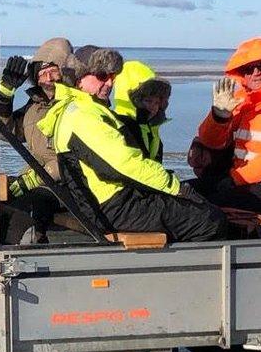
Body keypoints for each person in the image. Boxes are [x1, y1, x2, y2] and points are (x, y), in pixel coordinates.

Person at [38, 48, 229, 242]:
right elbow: (123, 165)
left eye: (112, 76)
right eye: (102, 76)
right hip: (113, 207)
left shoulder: (86, 109)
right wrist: (177, 187)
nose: (109, 83)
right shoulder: (82, 115)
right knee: (210, 220)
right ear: (79, 78)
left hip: (110, 202)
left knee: (200, 208)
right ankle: (173, 269)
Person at [188, 37, 261, 214]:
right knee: (183, 194)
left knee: (208, 207)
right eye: (248, 68)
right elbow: (210, 142)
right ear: (241, 73)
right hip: (238, 176)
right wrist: (219, 116)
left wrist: (234, 179)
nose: (255, 72)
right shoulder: (241, 98)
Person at [0, 38, 82, 243]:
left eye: (53, 70)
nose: (47, 79)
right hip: (39, 180)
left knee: (31, 206)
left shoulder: (77, 106)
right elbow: (7, 132)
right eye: (41, 73)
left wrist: (32, 180)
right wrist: (4, 95)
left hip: (69, 185)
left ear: (66, 71)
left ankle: (35, 255)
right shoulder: (35, 106)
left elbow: (74, 159)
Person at [110, 60, 172, 160]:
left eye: (157, 103)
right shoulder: (122, 127)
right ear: (133, 99)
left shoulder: (150, 127)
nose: (153, 106)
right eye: (148, 101)